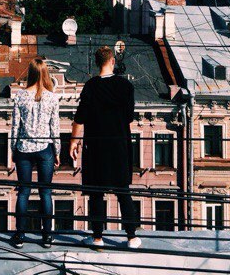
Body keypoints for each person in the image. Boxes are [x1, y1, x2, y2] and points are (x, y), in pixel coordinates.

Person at [69, 45, 141, 249]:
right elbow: (128, 117)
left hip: (96, 146)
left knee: (96, 193)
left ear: (97, 63)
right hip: (118, 145)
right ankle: (131, 236)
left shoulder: (90, 86)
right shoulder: (126, 86)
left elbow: (79, 118)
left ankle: (98, 237)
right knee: (123, 191)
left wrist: (74, 141)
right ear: (112, 61)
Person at [10, 56, 60, 249]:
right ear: (46, 74)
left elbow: (15, 126)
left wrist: (13, 149)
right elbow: (54, 128)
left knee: (23, 193)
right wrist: (57, 151)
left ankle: (20, 235)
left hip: (23, 148)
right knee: (45, 193)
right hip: (45, 149)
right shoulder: (52, 97)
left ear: (30, 74)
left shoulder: (20, 96)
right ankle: (47, 236)